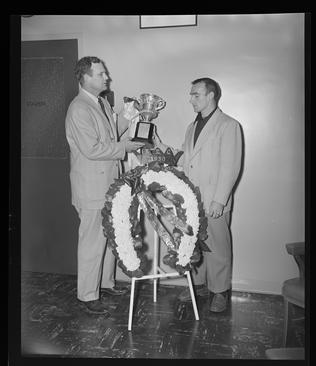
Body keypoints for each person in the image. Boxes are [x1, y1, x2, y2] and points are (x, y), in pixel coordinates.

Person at [154, 77, 242, 312]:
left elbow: (230, 166)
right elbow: (187, 160)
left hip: (214, 200)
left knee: (218, 248)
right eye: (191, 94)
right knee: (196, 243)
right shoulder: (192, 127)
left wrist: (219, 200)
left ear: (211, 95)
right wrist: (159, 146)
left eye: (196, 95)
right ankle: (200, 286)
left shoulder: (228, 125)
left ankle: (220, 292)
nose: (190, 99)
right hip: (192, 198)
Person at [65, 56, 144, 315]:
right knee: (92, 243)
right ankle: (87, 295)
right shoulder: (79, 108)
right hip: (91, 188)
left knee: (110, 236)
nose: (106, 78)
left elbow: (113, 131)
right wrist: (125, 148)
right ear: (85, 77)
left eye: (104, 74)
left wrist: (131, 113)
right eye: (100, 74)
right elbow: (92, 149)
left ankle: (106, 283)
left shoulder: (99, 102)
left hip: (107, 185)